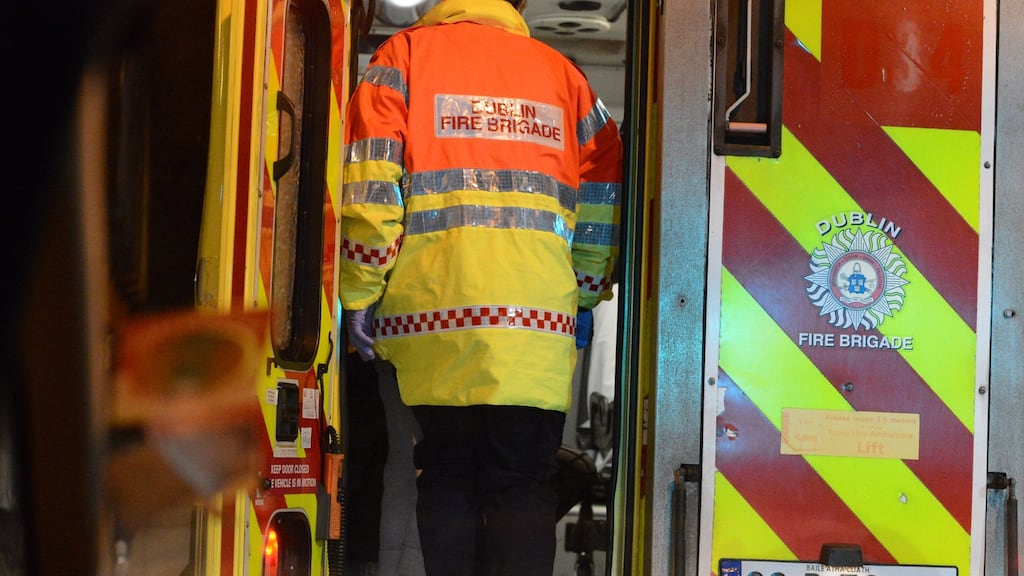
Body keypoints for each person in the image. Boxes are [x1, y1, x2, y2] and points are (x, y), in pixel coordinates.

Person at [339, 0, 622, 573]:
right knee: (522, 482)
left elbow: (370, 191)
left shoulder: (404, 56)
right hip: (535, 334)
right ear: (519, 3)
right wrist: (585, 290)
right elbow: (601, 195)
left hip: (432, 328)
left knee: (447, 473)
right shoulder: (565, 79)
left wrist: (360, 292)